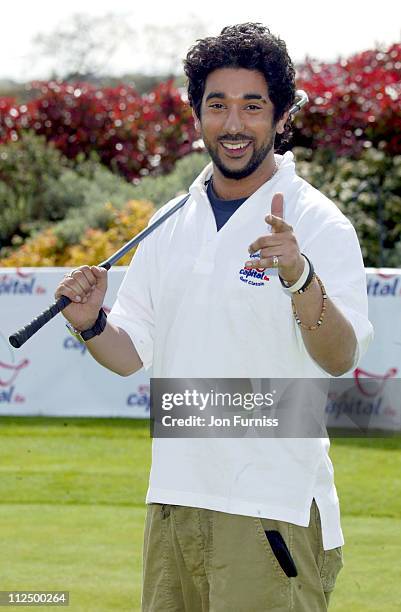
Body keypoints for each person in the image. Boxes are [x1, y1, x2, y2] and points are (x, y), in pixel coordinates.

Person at [55, 23, 373, 611]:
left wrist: (299, 276)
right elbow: (131, 356)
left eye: (252, 107)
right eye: (217, 106)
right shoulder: (171, 218)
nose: (233, 124)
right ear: (197, 115)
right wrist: (92, 322)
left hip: (269, 509)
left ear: (281, 118)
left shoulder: (319, 222)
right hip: (174, 502)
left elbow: (340, 356)